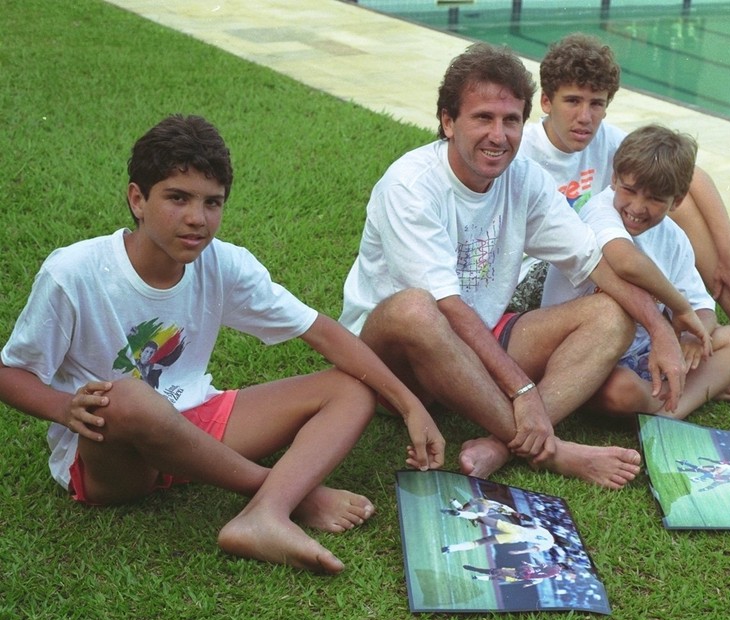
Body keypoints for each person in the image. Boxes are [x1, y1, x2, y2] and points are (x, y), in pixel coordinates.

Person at [0, 115, 445, 575]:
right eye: (178, 198)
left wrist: (410, 406)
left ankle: (264, 516)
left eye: (213, 202)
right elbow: (10, 373)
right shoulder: (74, 272)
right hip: (114, 456)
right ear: (137, 199)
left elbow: (323, 332)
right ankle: (287, 494)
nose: (197, 218)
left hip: (195, 423)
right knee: (126, 396)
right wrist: (64, 407)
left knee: (352, 388)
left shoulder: (224, 264)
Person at [340, 43, 710, 490]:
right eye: (483, 118)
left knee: (612, 311)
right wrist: (521, 388)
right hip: (392, 363)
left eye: (510, 120)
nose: (499, 135)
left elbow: (593, 262)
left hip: (478, 348)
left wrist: (660, 327)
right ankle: (551, 449)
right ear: (448, 121)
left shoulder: (524, 178)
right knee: (417, 309)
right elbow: (448, 309)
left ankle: (502, 443)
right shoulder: (411, 186)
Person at [516, 33, 730, 389]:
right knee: (635, 232)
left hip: (595, 257)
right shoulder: (525, 151)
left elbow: (689, 175)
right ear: (545, 101)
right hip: (543, 271)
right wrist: (679, 306)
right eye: (572, 101)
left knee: (668, 195)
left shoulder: (604, 139)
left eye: (596, 104)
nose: (584, 117)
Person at [542, 124, 730, 419]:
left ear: (677, 201)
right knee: (620, 391)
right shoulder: (599, 211)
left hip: (648, 352)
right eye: (630, 190)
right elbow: (626, 262)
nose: (638, 207)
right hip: (589, 353)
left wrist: (696, 336)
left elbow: (703, 308)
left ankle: (672, 408)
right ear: (614, 179)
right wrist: (678, 310)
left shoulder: (674, 238)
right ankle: (683, 395)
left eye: (655, 199)